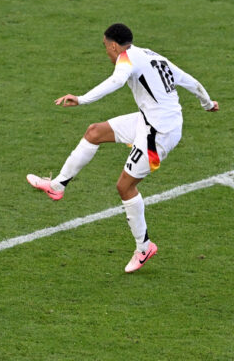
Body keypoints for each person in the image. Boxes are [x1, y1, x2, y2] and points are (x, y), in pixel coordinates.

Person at [26, 23, 218, 272]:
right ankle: (57, 186)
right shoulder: (151, 55)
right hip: (150, 120)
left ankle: (144, 247)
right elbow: (189, 80)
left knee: (125, 186)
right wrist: (207, 103)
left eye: (105, 46)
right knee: (94, 132)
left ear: (114, 45)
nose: (106, 51)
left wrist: (82, 99)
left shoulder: (126, 59)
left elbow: (117, 81)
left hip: (158, 134)